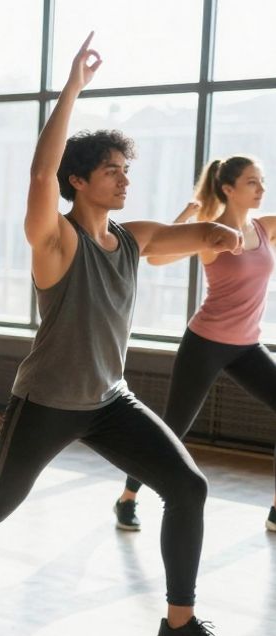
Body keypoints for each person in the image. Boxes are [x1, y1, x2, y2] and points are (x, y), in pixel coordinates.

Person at [0, 33, 246, 636]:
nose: (124, 181)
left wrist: (223, 233)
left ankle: (179, 623)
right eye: (112, 172)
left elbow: (195, 232)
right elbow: (39, 173)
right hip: (46, 400)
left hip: (108, 399)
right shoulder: (55, 242)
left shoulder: (132, 237)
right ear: (78, 181)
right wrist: (71, 89)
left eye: (128, 171)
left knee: (188, 488)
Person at [111, 157, 276, 533]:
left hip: (248, 346)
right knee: (173, 428)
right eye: (252, 182)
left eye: (262, 181)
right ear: (229, 189)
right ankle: (127, 498)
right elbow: (157, 257)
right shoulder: (212, 236)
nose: (261, 189)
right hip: (207, 342)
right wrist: (185, 216)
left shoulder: (266, 228)